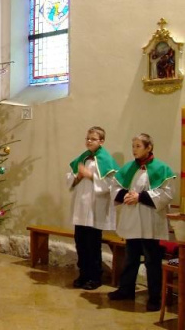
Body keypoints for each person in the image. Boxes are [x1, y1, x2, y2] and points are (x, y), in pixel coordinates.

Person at [108, 133, 175, 312]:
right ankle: (126, 290)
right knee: (131, 258)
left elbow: (167, 194)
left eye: (138, 146)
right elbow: (114, 187)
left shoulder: (162, 168)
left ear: (148, 147)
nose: (134, 150)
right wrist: (126, 195)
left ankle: (155, 297)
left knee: (152, 261)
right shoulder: (129, 168)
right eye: (133, 146)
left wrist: (141, 196)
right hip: (132, 220)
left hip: (150, 221)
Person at [67, 126, 119, 290]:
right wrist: (78, 176)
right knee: (80, 242)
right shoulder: (82, 158)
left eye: (93, 139)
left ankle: (95, 277)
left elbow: (111, 183)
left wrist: (90, 176)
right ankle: (83, 274)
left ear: (101, 141)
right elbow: (70, 178)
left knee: (92, 243)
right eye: (87, 138)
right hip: (81, 206)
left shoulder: (106, 160)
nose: (89, 141)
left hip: (95, 207)